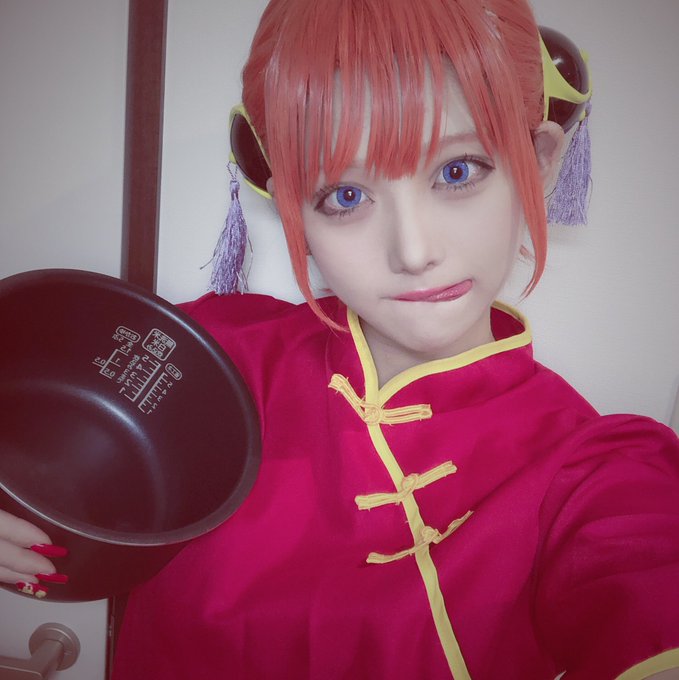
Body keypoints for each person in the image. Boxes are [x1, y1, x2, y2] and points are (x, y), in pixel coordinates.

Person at [1, 0, 678, 678]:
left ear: (538, 162)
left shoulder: (595, 471)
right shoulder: (205, 357)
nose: (414, 251)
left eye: (458, 171)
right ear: (291, 206)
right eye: (345, 196)